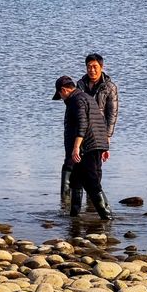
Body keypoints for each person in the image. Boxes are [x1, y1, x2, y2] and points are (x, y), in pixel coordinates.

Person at [60, 52, 119, 198]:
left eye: (95, 67)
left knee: (94, 168)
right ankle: (65, 201)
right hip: (79, 129)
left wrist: (107, 137)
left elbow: (112, 114)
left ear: (101, 67)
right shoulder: (79, 85)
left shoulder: (109, 87)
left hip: (97, 132)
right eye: (89, 67)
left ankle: (93, 203)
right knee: (71, 162)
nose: (92, 70)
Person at [52, 75, 112, 219]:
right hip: (95, 144)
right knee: (76, 180)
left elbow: (82, 124)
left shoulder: (75, 100)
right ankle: (74, 216)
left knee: (91, 182)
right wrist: (104, 146)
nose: (62, 99)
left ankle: (107, 217)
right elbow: (100, 122)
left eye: (60, 95)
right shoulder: (86, 97)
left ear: (64, 90)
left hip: (86, 147)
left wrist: (76, 147)